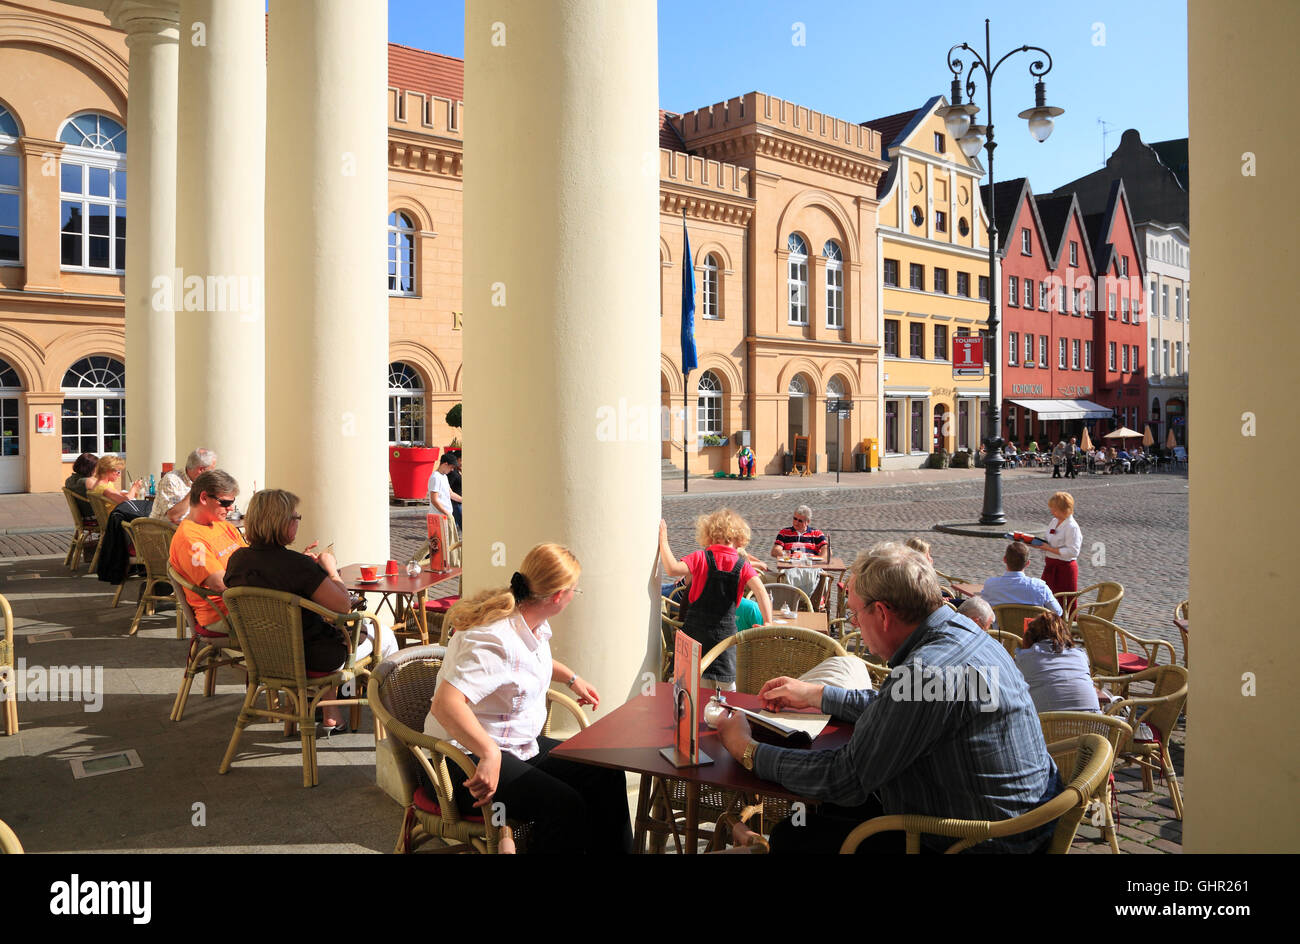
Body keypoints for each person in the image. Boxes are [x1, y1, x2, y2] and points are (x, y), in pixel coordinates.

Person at [715, 542, 1060, 853]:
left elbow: (843, 777)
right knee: (815, 817)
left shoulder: (925, 671)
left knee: (800, 833)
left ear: (881, 613)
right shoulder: (966, 632)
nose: (854, 625)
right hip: (1023, 823)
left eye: (853, 614)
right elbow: (897, 707)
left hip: (980, 842)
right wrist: (817, 693)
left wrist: (747, 750)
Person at [425, 543, 632, 853]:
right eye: (576, 590)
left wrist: (572, 679)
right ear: (559, 596)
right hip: (460, 761)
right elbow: (445, 704)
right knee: (563, 804)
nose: (575, 596)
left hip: (517, 746)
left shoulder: (529, 621)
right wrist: (489, 753)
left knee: (606, 773)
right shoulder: (496, 638)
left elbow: (527, 662)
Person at [225, 489, 399, 733]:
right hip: (312, 658)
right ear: (282, 522)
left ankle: (331, 716)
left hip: (263, 656)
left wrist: (308, 572)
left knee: (318, 630)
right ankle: (395, 717)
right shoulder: (299, 566)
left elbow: (274, 579)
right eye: (296, 517)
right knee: (383, 634)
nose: (297, 521)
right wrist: (330, 570)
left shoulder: (237, 560)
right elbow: (343, 605)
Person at [658, 510, 773, 688]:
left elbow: (672, 569)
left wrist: (663, 540)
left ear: (708, 535)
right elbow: (761, 592)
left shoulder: (700, 557)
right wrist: (768, 622)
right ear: (739, 538)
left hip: (694, 638)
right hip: (724, 643)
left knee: (688, 696)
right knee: (724, 698)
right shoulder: (742, 565)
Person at [168, 470, 248, 634]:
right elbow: (221, 584)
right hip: (223, 615)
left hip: (243, 603)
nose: (231, 508)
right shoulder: (190, 539)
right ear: (204, 498)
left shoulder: (221, 524)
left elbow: (251, 559)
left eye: (232, 502)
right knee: (298, 620)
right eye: (225, 503)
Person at [1015, 613, 1100, 713]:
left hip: (1046, 725)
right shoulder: (1080, 656)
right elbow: (1058, 610)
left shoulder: (1025, 658)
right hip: (1093, 725)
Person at [979, 541, 1063, 620]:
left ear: (1005, 560)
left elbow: (982, 611)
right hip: (1031, 634)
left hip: (1000, 634)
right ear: (1027, 563)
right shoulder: (1040, 587)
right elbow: (1058, 612)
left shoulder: (990, 585)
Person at [771, 504, 828, 602]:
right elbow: (775, 550)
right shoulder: (784, 532)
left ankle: (813, 602)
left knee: (823, 578)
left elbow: (827, 549)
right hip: (791, 568)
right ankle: (793, 601)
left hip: (810, 568)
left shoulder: (816, 534)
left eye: (800, 520)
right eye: (795, 518)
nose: (796, 522)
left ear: (808, 522)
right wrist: (789, 556)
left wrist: (819, 560)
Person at [1033, 491, 1082, 600]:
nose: (1052, 511)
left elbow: (1073, 551)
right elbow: (1048, 539)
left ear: (1064, 510)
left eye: (1055, 509)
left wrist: (1049, 548)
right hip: (1050, 566)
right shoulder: (1054, 521)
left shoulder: (1072, 527)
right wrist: (1036, 543)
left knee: (1063, 601)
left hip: (1064, 569)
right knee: (1046, 598)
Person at [151, 447, 217, 523]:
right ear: (201, 470)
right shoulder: (171, 480)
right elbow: (173, 516)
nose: (212, 474)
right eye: (211, 470)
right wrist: (195, 489)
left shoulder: (206, 483)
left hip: (190, 528)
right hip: (164, 531)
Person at [427, 454, 461, 524]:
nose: (452, 470)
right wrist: (447, 513)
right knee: (441, 535)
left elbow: (451, 494)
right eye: (451, 467)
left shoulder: (444, 476)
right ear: (445, 464)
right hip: (438, 516)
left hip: (445, 515)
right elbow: (434, 500)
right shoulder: (435, 477)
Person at [64, 452, 98, 518]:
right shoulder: (87, 481)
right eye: (96, 467)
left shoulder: (69, 480)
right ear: (89, 468)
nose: (97, 470)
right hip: (94, 516)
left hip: (83, 515)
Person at [445, 449, 463, 533]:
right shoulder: (453, 473)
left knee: (452, 526)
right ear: (457, 460)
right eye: (461, 460)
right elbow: (448, 488)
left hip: (460, 502)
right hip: (456, 503)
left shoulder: (460, 471)